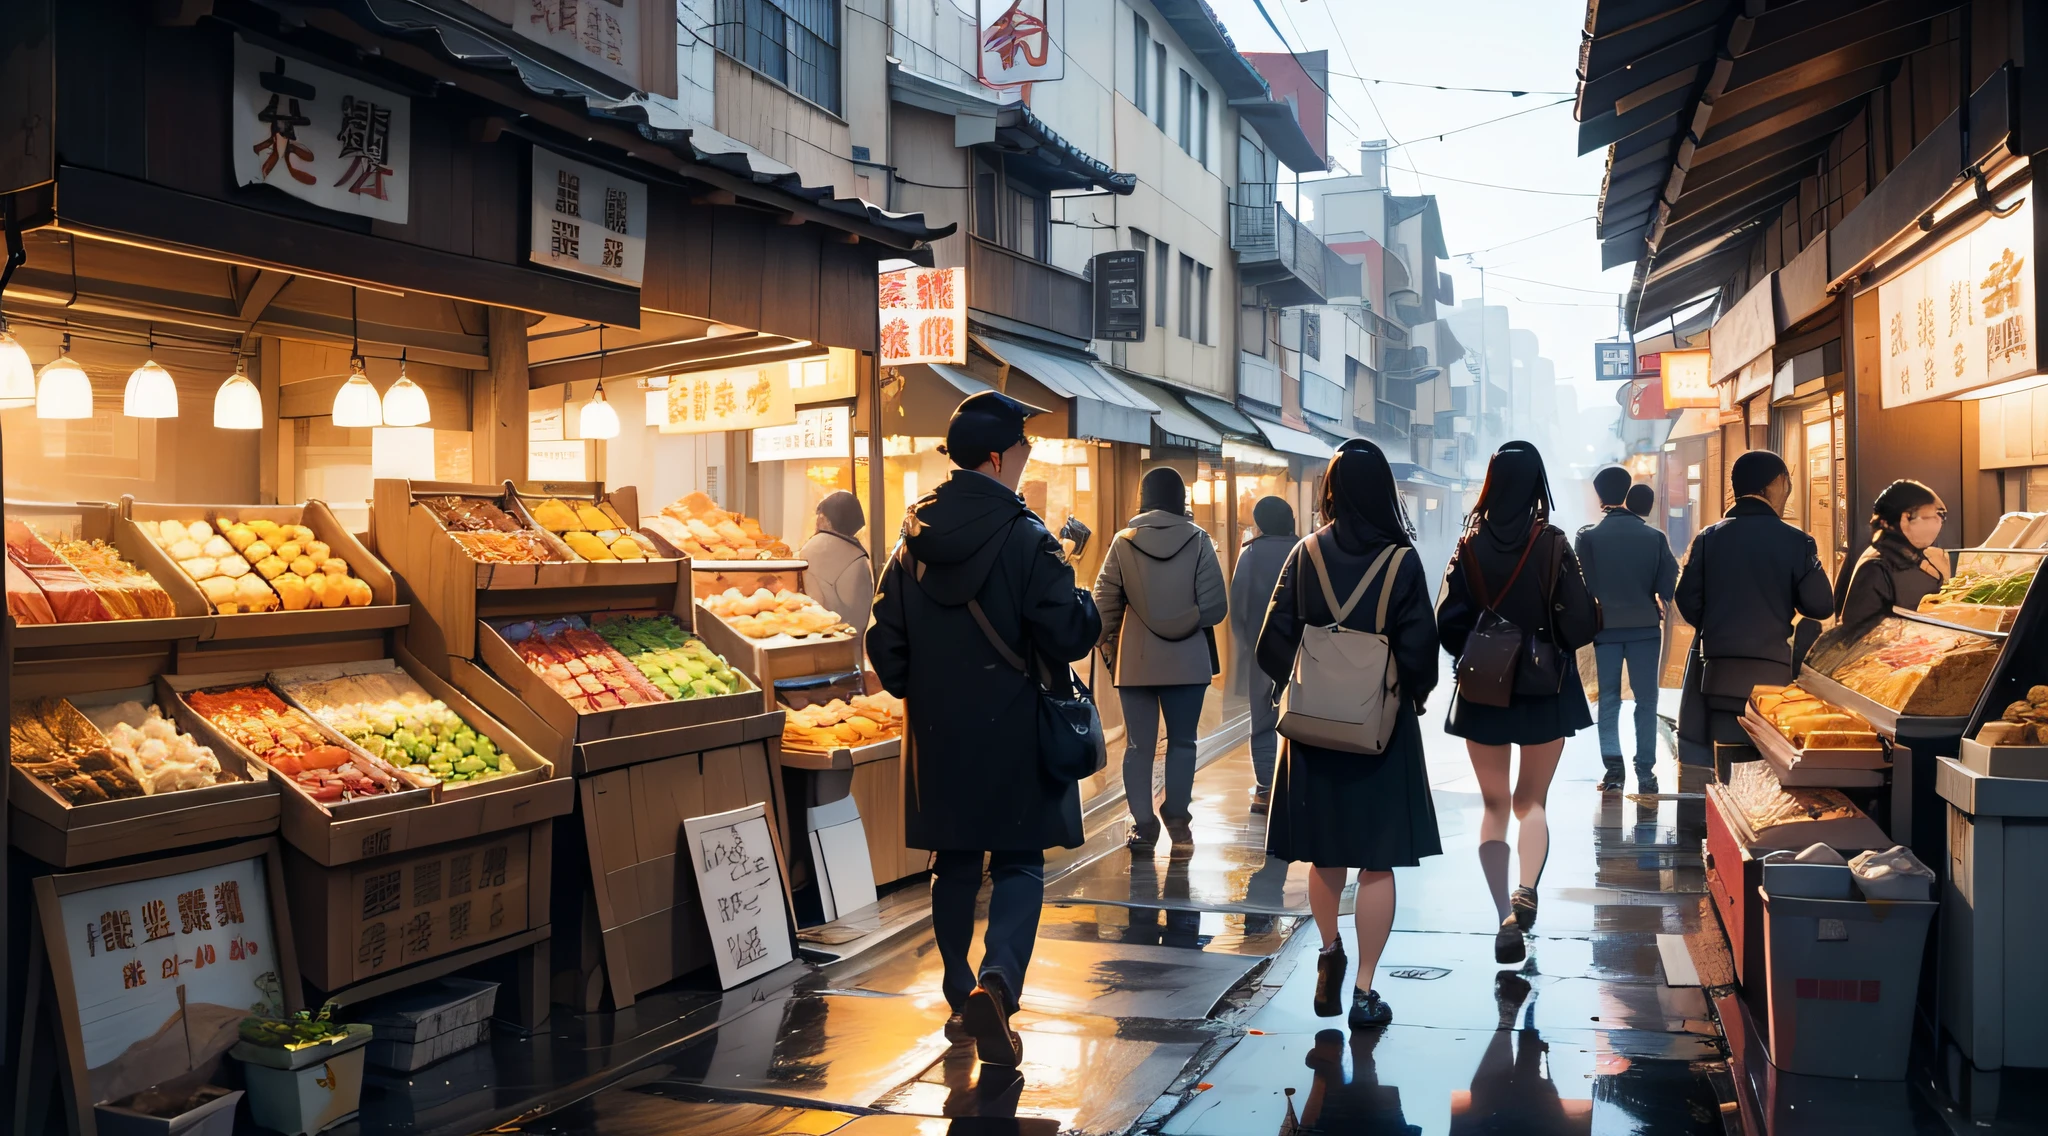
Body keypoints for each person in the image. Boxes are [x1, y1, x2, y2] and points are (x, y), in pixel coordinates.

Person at [867, 390, 1101, 1067]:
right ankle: (997, 985)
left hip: (938, 735)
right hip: (1017, 730)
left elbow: (886, 649)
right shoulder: (1030, 539)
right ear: (999, 459)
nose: (1027, 463)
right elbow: (1071, 631)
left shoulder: (908, 542)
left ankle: (957, 989)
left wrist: (933, 693)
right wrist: (1078, 589)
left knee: (955, 863)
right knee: (1020, 861)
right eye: (1024, 452)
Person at [1258, 440, 1440, 1029]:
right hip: (1380, 732)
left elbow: (1271, 643)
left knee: (1324, 852)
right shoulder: (1401, 561)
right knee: (1378, 864)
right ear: (1383, 491)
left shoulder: (1304, 554)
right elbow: (1421, 653)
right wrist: (1410, 695)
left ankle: (1329, 952)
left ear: (1331, 491)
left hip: (1313, 729)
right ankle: (1364, 990)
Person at [1437, 441, 1598, 965]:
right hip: (1542, 685)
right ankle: (1525, 891)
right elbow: (1576, 624)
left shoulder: (1469, 543)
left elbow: (1446, 624)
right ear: (1537, 485)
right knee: (1532, 803)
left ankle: (1500, 915)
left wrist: (1485, 638)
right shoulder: (1552, 543)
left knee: (1493, 806)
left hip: (1484, 687)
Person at [1674, 450, 1834, 774]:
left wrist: (1718, 624)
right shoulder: (1797, 542)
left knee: (1726, 770)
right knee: (1766, 771)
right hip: (1773, 680)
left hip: (1719, 677)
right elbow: (1820, 605)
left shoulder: (1708, 538)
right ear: (1775, 485)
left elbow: (1686, 598)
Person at [1094, 467, 1228, 849]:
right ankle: (1178, 817)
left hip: (1135, 661)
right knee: (1183, 742)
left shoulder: (1123, 542)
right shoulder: (1199, 541)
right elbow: (1215, 606)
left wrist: (1105, 643)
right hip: (1188, 661)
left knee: (1139, 745)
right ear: (1179, 499)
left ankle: (1143, 824)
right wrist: (1185, 621)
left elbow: (1104, 607)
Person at [1575, 467, 1677, 795]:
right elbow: (1667, 585)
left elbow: (1581, 586)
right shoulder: (1654, 537)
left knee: (1608, 701)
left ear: (1600, 495)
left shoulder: (1588, 537)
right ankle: (1645, 771)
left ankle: (1614, 771)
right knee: (1646, 701)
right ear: (1627, 490)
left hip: (1604, 629)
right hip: (1646, 628)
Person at [1229, 496, 1297, 810]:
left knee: (1263, 723)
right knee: (1303, 720)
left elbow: (1237, 607)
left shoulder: (1251, 554)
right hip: (1304, 654)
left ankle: (1266, 789)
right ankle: (1299, 786)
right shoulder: (1307, 549)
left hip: (1262, 652)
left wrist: (1247, 643)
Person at [1834, 479, 1948, 634]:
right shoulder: (1876, 568)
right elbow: (1857, 634)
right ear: (1905, 518)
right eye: (1937, 515)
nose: (1940, 522)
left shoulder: (1910, 556)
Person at [797, 491, 873, 653]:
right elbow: (860, 620)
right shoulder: (857, 558)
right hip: (842, 646)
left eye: (820, 516)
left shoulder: (811, 548)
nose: (816, 521)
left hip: (812, 641)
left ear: (826, 519)